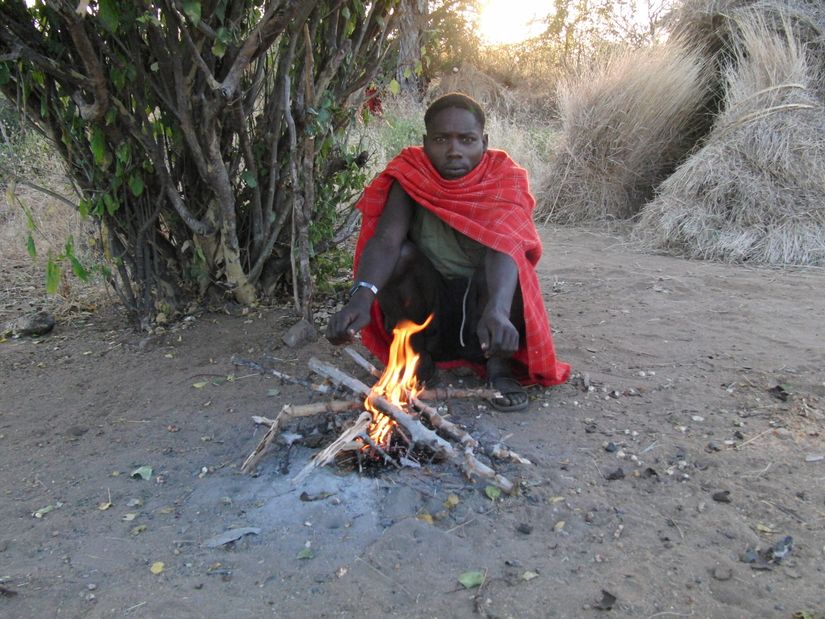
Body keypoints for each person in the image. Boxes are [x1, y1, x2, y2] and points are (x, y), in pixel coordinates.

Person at [326, 93, 570, 410]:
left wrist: (497, 309)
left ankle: (498, 365)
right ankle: (418, 359)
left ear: (484, 142)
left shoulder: (503, 178)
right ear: (425, 143)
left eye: (466, 140)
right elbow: (386, 239)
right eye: (442, 139)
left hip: (487, 312)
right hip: (431, 308)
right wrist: (359, 297)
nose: (454, 151)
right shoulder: (411, 175)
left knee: (511, 265)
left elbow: (507, 244)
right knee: (400, 257)